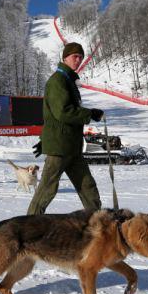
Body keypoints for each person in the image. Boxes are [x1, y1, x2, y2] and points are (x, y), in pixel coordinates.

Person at [27, 42, 104, 215]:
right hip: (60, 147)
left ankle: (99, 223)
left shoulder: (68, 80)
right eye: (74, 56)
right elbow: (62, 112)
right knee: (47, 189)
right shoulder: (58, 80)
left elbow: (55, 116)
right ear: (65, 58)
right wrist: (89, 113)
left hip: (72, 146)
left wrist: (45, 139)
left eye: (80, 57)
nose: (78, 60)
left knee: (87, 186)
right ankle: (28, 227)